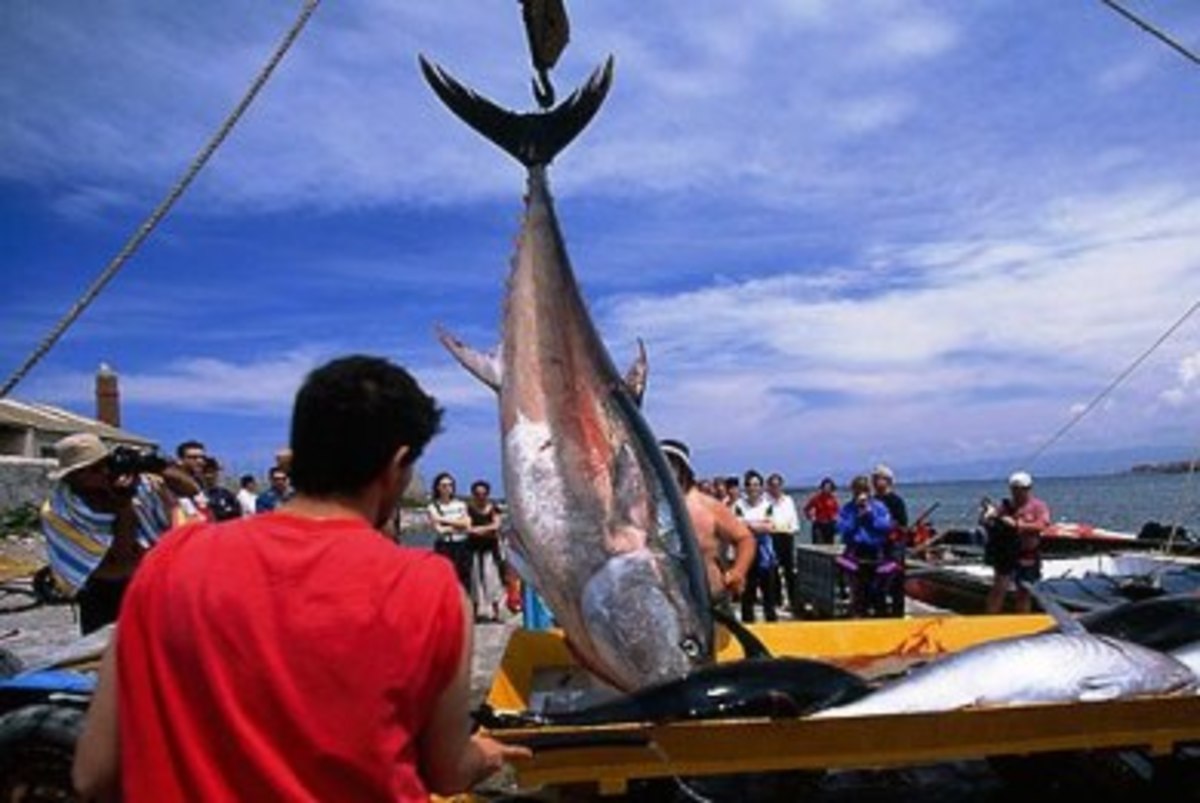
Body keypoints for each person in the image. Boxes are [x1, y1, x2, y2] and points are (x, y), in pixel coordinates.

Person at [72, 354, 530, 802]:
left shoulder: (170, 561)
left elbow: (94, 774)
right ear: (398, 463)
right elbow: (447, 772)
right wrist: (485, 755)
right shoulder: (430, 587)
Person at [39, 433, 183, 634]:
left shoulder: (138, 487)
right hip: (103, 594)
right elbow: (120, 559)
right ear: (73, 476)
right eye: (94, 470)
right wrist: (123, 504)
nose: (104, 473)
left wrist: (156, 465)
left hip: (144, 586)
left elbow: (192, 490)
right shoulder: (60, 512)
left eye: (105, 465)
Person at [660, 440, 755, 616]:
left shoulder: (709, 506)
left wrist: (738, 571)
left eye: (672, 462)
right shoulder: (644, 508)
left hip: (712, 602)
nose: (665, 468)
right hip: (665, 606)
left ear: (683, 469)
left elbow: (745, 538)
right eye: (660, 461)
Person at [982, 470, 1051, 614]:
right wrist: (988, 516)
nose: (1018, 493)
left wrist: (1018, 525)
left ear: (1029, 489)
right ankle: (990, 619)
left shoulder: (1038, 506)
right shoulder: (1004, 506)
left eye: (1022, 489)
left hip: (1028, 554)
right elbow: (989, 523)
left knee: (1024, 591)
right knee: (999, 588)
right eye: (1015, 489)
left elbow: (1042, 525)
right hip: (1006, 553)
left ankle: (1023, 619)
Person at [835, 475, 895, 617]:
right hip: (856, 552)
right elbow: (841, 529)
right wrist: (857, 518)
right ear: (853, 492)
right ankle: (859, 617)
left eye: (864, 490)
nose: (861, 493)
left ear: (869, 491)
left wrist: (871, 515)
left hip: (876, 552)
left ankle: (879, 619)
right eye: (857, 490)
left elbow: (887, 526)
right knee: (858, 591)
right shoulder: (847, 509)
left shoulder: (879, 507)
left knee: (878, 591)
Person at [733, 469, 780, 623]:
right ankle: (748, 624)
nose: (753, 488)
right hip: (746, 552)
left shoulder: (768, 505)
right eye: (750, 485)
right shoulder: (739, 505)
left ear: (761, 487)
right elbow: (737, 526)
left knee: (768, 592)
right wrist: (758, 525)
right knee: (748, 592)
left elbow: (770, 527)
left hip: (765, 553)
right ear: (745, 487)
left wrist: (749, 524)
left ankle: (772, 623)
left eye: (756, 485)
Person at [871, 464, 909, 617]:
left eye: (877, 478)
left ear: (887, 481)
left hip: (893, 547)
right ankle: (880, 614)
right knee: (877, 585)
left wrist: (888, 525)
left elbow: (903, 524)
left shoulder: (896, 501)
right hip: (876, 547)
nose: (874, 482)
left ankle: (897, 615)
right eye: (873, 479)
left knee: (895, 583)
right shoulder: (872, 500)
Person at [465, 479, 506, 622]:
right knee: (475, 582)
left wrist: (478, 530)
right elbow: (468, 528)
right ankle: (475, 614)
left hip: (491, 550)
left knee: (492, 581)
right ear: (473, 494)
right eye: (477, 494)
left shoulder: (494, 508)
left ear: (487, 494)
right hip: (474, 550)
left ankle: (496, 613)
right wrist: (487, 530)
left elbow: (496, 525)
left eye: (483, 493)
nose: (481, 496)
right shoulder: (469, 509)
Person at [427, 471, 473, 593]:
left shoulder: (461, 504)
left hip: (462, 544)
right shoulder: (433, 507)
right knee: (445, 578)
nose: (448, 488)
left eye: (450, 485)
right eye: (444, 485)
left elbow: (467, 525)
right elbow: (440, 530)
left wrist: (443, 519)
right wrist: (459, 524)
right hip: (444, 546)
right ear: (438, 487)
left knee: (464, 577)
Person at [765, 472, 800, 613]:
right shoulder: (766, 501)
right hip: (773, 535)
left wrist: (794, 528)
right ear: (769, 487)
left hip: (787, 535)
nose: (775, 488)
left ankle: (793, 599)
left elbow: (793, 517)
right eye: (772, 485)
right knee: (773, 568)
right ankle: (777, 599)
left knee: (789, 569)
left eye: (778, 485)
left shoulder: (788, 500)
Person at [201, 456, 242, 522]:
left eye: (212, 472)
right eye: (205, 472)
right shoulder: (194, 495)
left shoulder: (227, 495)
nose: (209, 476)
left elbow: (237, 517)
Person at [803, 477, 840, 545]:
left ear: (832, 488)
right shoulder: (816, 498)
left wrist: (836, 518)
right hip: (818, 525)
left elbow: (837, 511)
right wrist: (810, 517)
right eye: (825, 487)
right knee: (818, 544)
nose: (827, 489)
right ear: (822, 487)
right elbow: (806, 509)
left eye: (829, 487)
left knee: (829, 546)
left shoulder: (833, 499)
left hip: (830, 525)